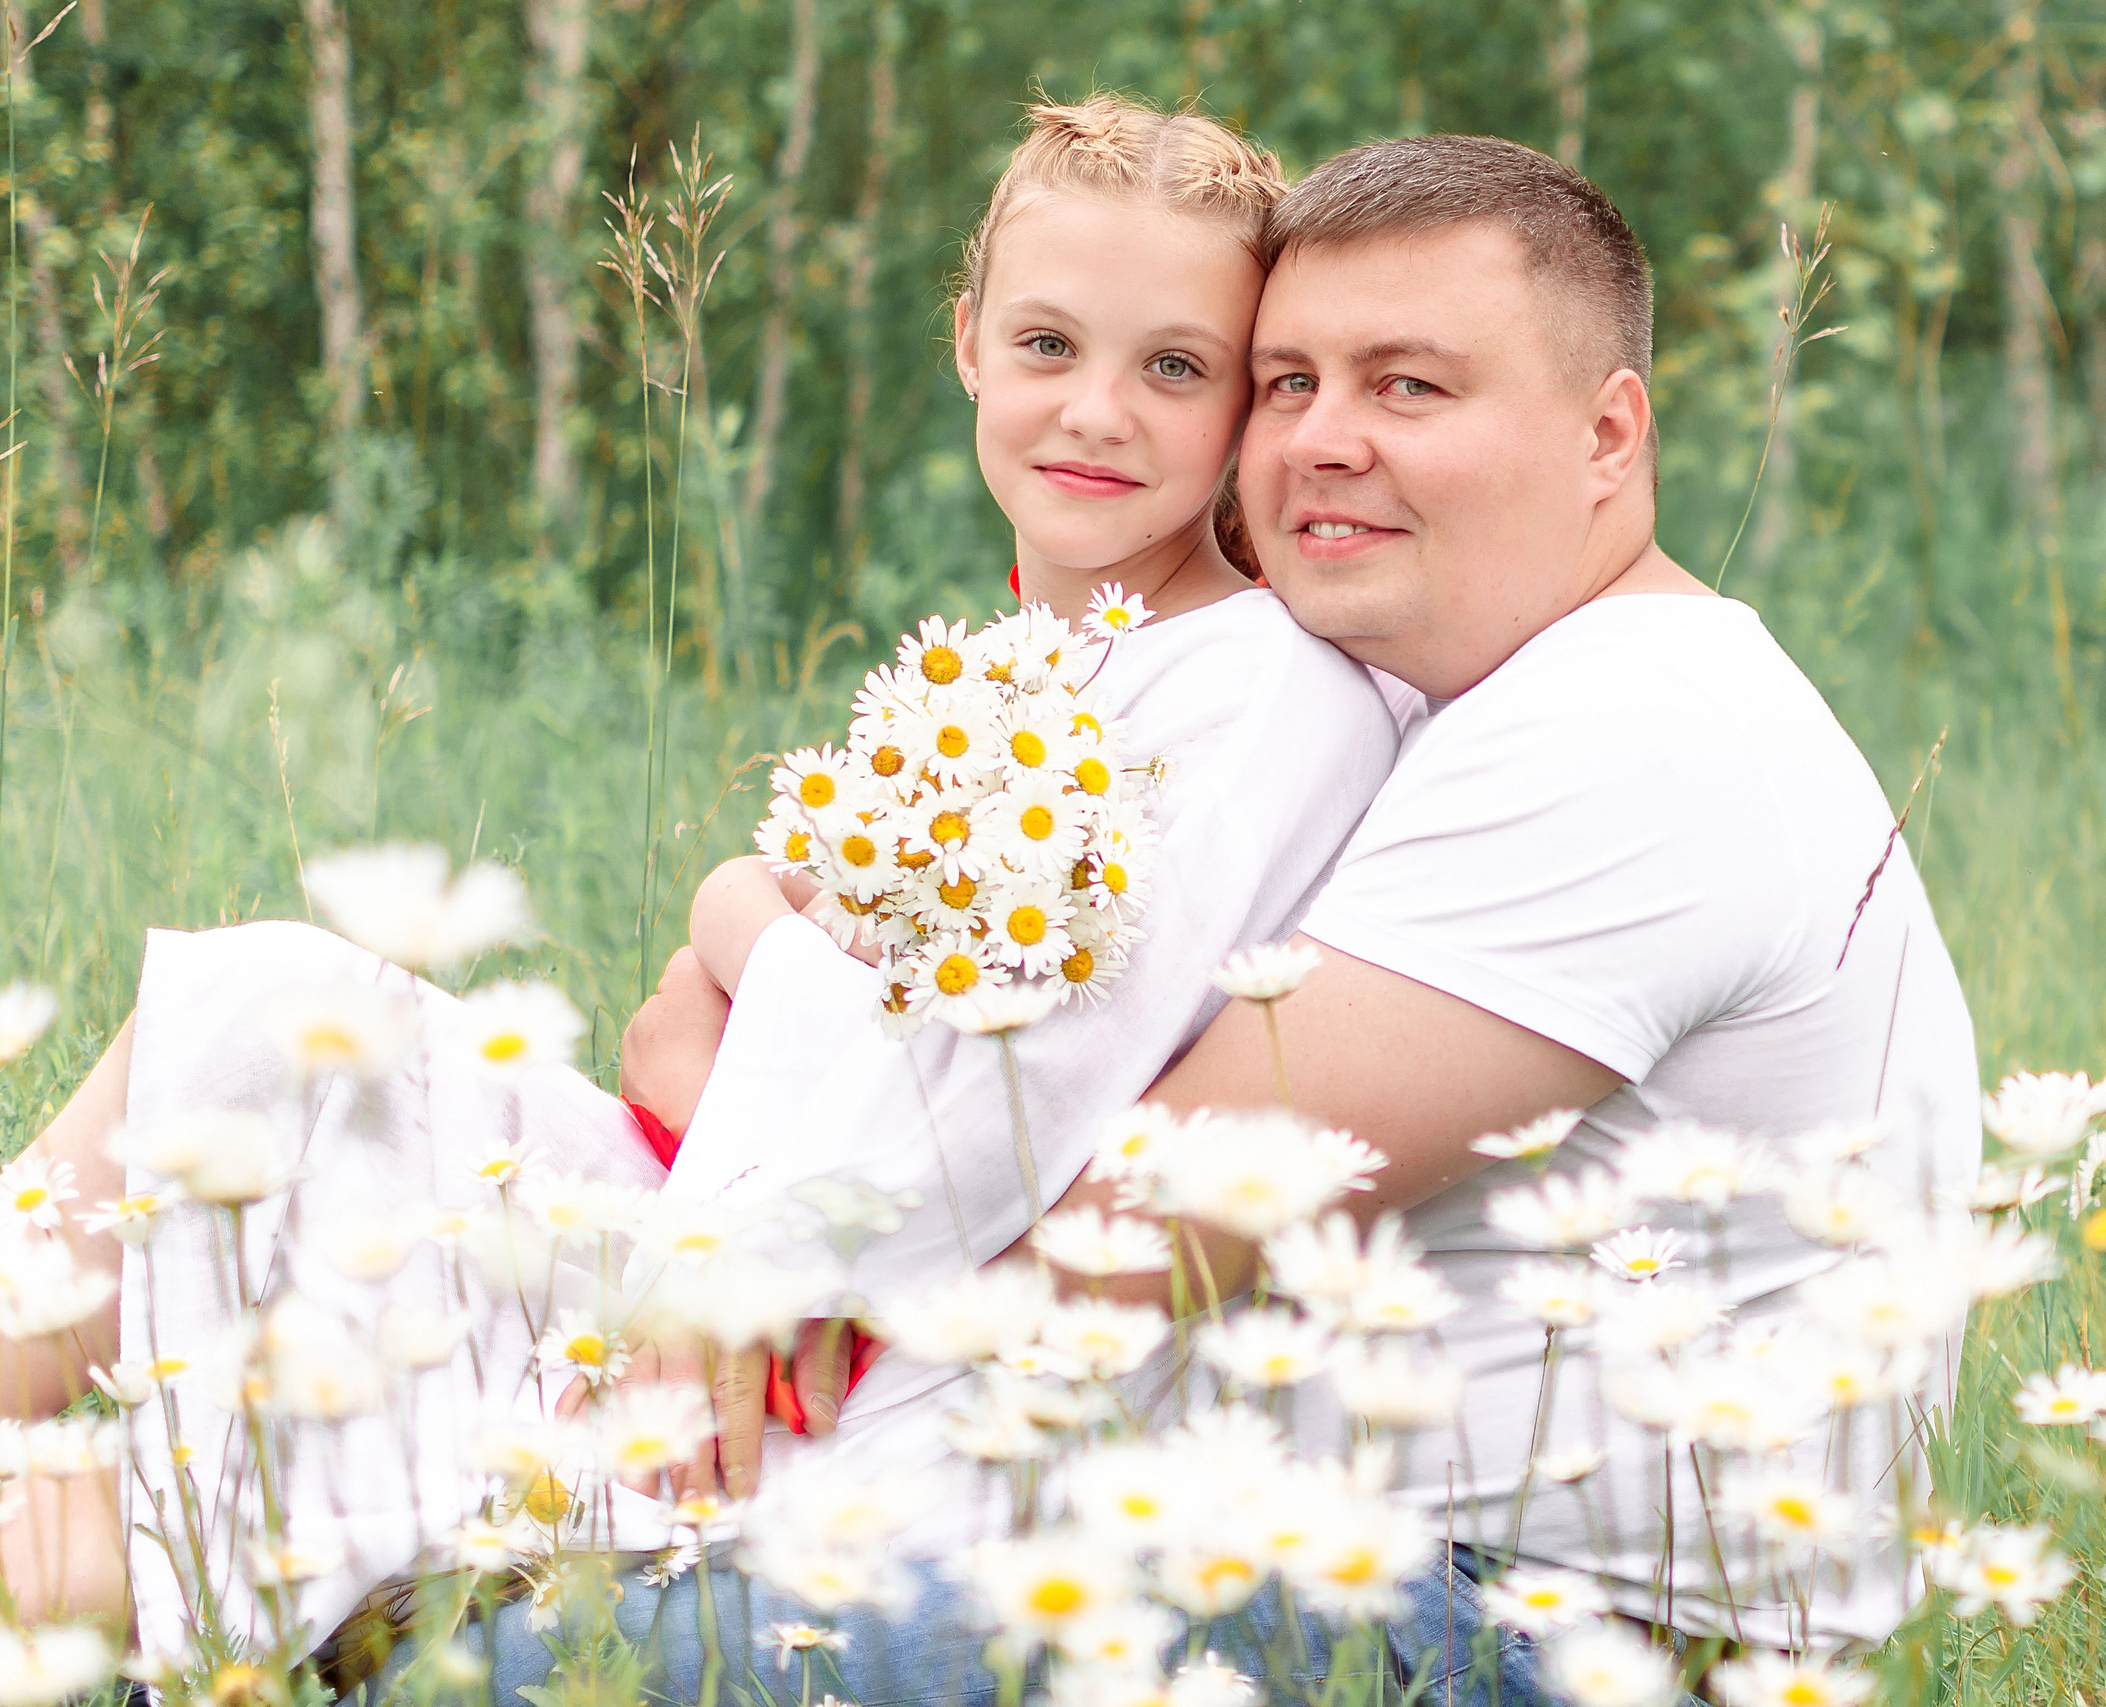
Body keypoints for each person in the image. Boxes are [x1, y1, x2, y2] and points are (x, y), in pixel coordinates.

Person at [0, 93, 1402, 1678]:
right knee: (272, 1001)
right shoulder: (1020, 661)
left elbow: (1018, 1079)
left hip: (839, 1330)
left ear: (1244, 405)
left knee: (191, 1489)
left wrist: (740, 936)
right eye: (1049, 345)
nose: (1097, 412)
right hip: (728, 1196)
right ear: (967, 344)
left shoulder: (1256, 691)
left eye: (1174, 367)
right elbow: (784, 999)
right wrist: (748, 921)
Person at [628, 131, 1980, 1671]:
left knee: (532, 1666)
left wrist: (764, 1128)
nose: (1325, 440)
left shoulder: (1633, 734)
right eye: (1290, 384)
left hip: (1533, 1636)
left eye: (1409, 385)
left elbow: (1111, 1248)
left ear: (1611, 434)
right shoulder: (1473, 701)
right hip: (1327, 1561)